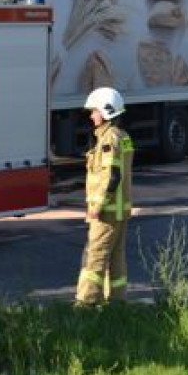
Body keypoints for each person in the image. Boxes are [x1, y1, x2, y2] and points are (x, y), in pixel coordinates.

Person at [75, 87, 134, 307]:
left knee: (95, 256)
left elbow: (113, 176)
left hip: (107, 212)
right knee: (116, 257)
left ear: (106, 111)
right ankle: (117, 301)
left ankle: (86, 303)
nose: (91, 116)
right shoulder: (123, 137)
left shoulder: (109, 139)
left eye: (94, 111)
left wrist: (98, 205)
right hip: (119, 211)